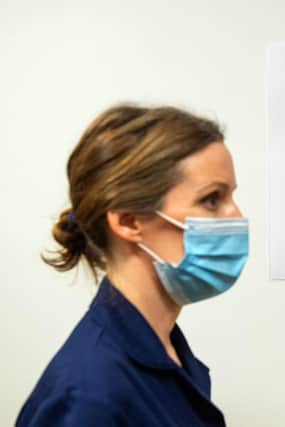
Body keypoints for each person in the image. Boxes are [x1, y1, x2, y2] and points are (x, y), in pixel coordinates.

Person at [15, 103, 249, 426]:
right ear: (128, 221)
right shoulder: (88, 396)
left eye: (231, 197)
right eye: (212, 199)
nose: (235, 215)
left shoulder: (168, 355)